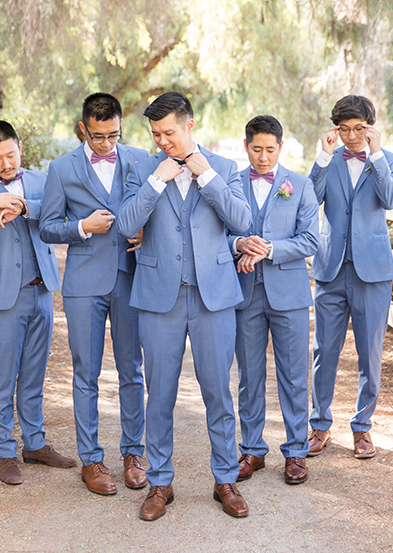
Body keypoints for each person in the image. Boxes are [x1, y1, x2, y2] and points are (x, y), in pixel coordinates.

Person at [117, 91, 252, 521]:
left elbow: (243, 220)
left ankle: (225, 480)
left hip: (213, 297)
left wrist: (206, 176)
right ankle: (159, 483)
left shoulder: (225, 168)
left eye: (169, 132)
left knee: (218, 393)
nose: (162, 141)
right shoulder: (142, 168)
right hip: (159, 297)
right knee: (160, 395)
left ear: (189, 125)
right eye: (156, 134)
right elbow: (125, 224)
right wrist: (157, 180)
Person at [39, 93, 148, 495]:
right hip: (84, 283)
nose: (107, 144)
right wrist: (82, 226)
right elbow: (48, 227)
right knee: (86, 373)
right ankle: (92, 460)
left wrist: (144, 230)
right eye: (99, 136)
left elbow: (157, 207)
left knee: (131, 370)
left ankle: (133, 453)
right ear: (84, 128)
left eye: (114, 136)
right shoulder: (61, 168)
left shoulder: (139, 158)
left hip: (130, 279)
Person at [0, 120, 75, 485]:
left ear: (20, 146)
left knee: (35, 374)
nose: (5, 163)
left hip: (42, 292)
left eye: (10, 154)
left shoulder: (42, 181)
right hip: (2, 298)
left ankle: (35, 443)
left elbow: (63, 216)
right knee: (3, 377)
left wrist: (25, 206)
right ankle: (4, 452)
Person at [308, 95, 393, 459]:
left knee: (370, 353)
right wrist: (322, 156)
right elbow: (310, 198)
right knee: (323, 352)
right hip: (331, 269)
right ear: (335, 129)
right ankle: (319, 426)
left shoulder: (390, 161)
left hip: (372, 273)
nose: (351, 137)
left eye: (358, 129)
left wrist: (376, 154)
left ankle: (362, 428)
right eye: (344, 129)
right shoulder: (328, 160)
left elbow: (391, 199)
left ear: (370, 126)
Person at [231, 115, 319, 486]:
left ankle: (296, 451)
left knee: (294, 375)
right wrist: (238, 244)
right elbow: (218, 232)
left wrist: (270, 249)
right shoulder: (232, 183)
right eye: (256, 149)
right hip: (244, 294)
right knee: (250, 376)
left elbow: (311, 240)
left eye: (270, 150)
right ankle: (252, 449)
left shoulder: (299, 185)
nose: (263, 157)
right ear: (246, 146)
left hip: (290, 295)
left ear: (281, 148)